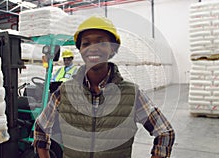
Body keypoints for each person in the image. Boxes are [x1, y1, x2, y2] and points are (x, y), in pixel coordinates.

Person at [34, 15, 175, 158]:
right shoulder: (64, 92)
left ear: (113, 49)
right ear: (81, 50)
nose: (93, 49)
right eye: (86, 44)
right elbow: (41, 127)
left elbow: (165, 132)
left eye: (101, 43)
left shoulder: (132, 94)